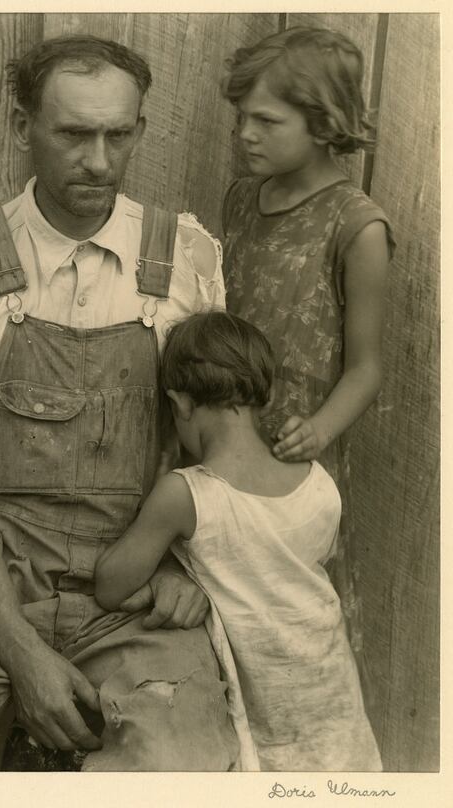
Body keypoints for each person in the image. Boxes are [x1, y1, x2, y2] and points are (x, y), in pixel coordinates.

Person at [0, 35, 239, 771]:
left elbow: (219, 456)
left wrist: (182, 570)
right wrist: (21, 652)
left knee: (181, 766)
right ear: (23, 128)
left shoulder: (188, 264)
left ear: (139, 128)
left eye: (119, 134)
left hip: (139, 589)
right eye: (74, 134)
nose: (99, 162)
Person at [95, 310, 382, 771]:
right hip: (335, 703)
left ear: (181, 404)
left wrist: (164, 462)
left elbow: (109, 584)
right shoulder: (319, 483)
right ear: (262, 394)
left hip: (270, 716)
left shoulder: (187, 493)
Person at [220, 26, 395, 674]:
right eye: (241, 118)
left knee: (285, 625)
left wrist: (318, 430)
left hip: (297, 460)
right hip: (226, 445)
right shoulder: (243, 197)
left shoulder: (358, 226)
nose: (245, 134)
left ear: (324, 123)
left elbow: (368, 367)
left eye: (266, 120)